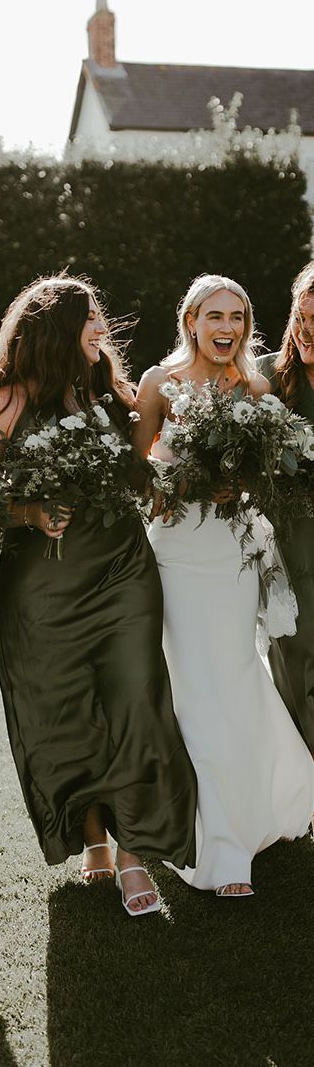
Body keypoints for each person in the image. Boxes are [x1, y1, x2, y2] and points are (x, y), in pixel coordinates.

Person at [0, 274, 197, 917]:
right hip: (41, 584)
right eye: (91, 316)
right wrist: (30, 511)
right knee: (62, 713)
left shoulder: (106, 393)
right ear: (55, 328)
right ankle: (91, 835)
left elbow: (143, 466)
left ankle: (134, 854)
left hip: (123, 569)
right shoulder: (4, 400)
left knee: (137, 701)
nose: (103, 325)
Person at [134, 273, 314, 897]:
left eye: (237, 317)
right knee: (193, 689)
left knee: (237, 676)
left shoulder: (256, 387)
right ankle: (218, 844)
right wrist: (179, 482)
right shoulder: (160, 384)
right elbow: (138, 475)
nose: (227, 328)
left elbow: (268, 477)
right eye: (215, 316)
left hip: (235, 555)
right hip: (179, 555)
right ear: (191, 321)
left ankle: (261, 806)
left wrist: (239, 483)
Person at [257, 262, 314, 752]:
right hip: (289, 541)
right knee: (296, 656)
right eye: (303, 317)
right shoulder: (265, 377)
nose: (308, 332)